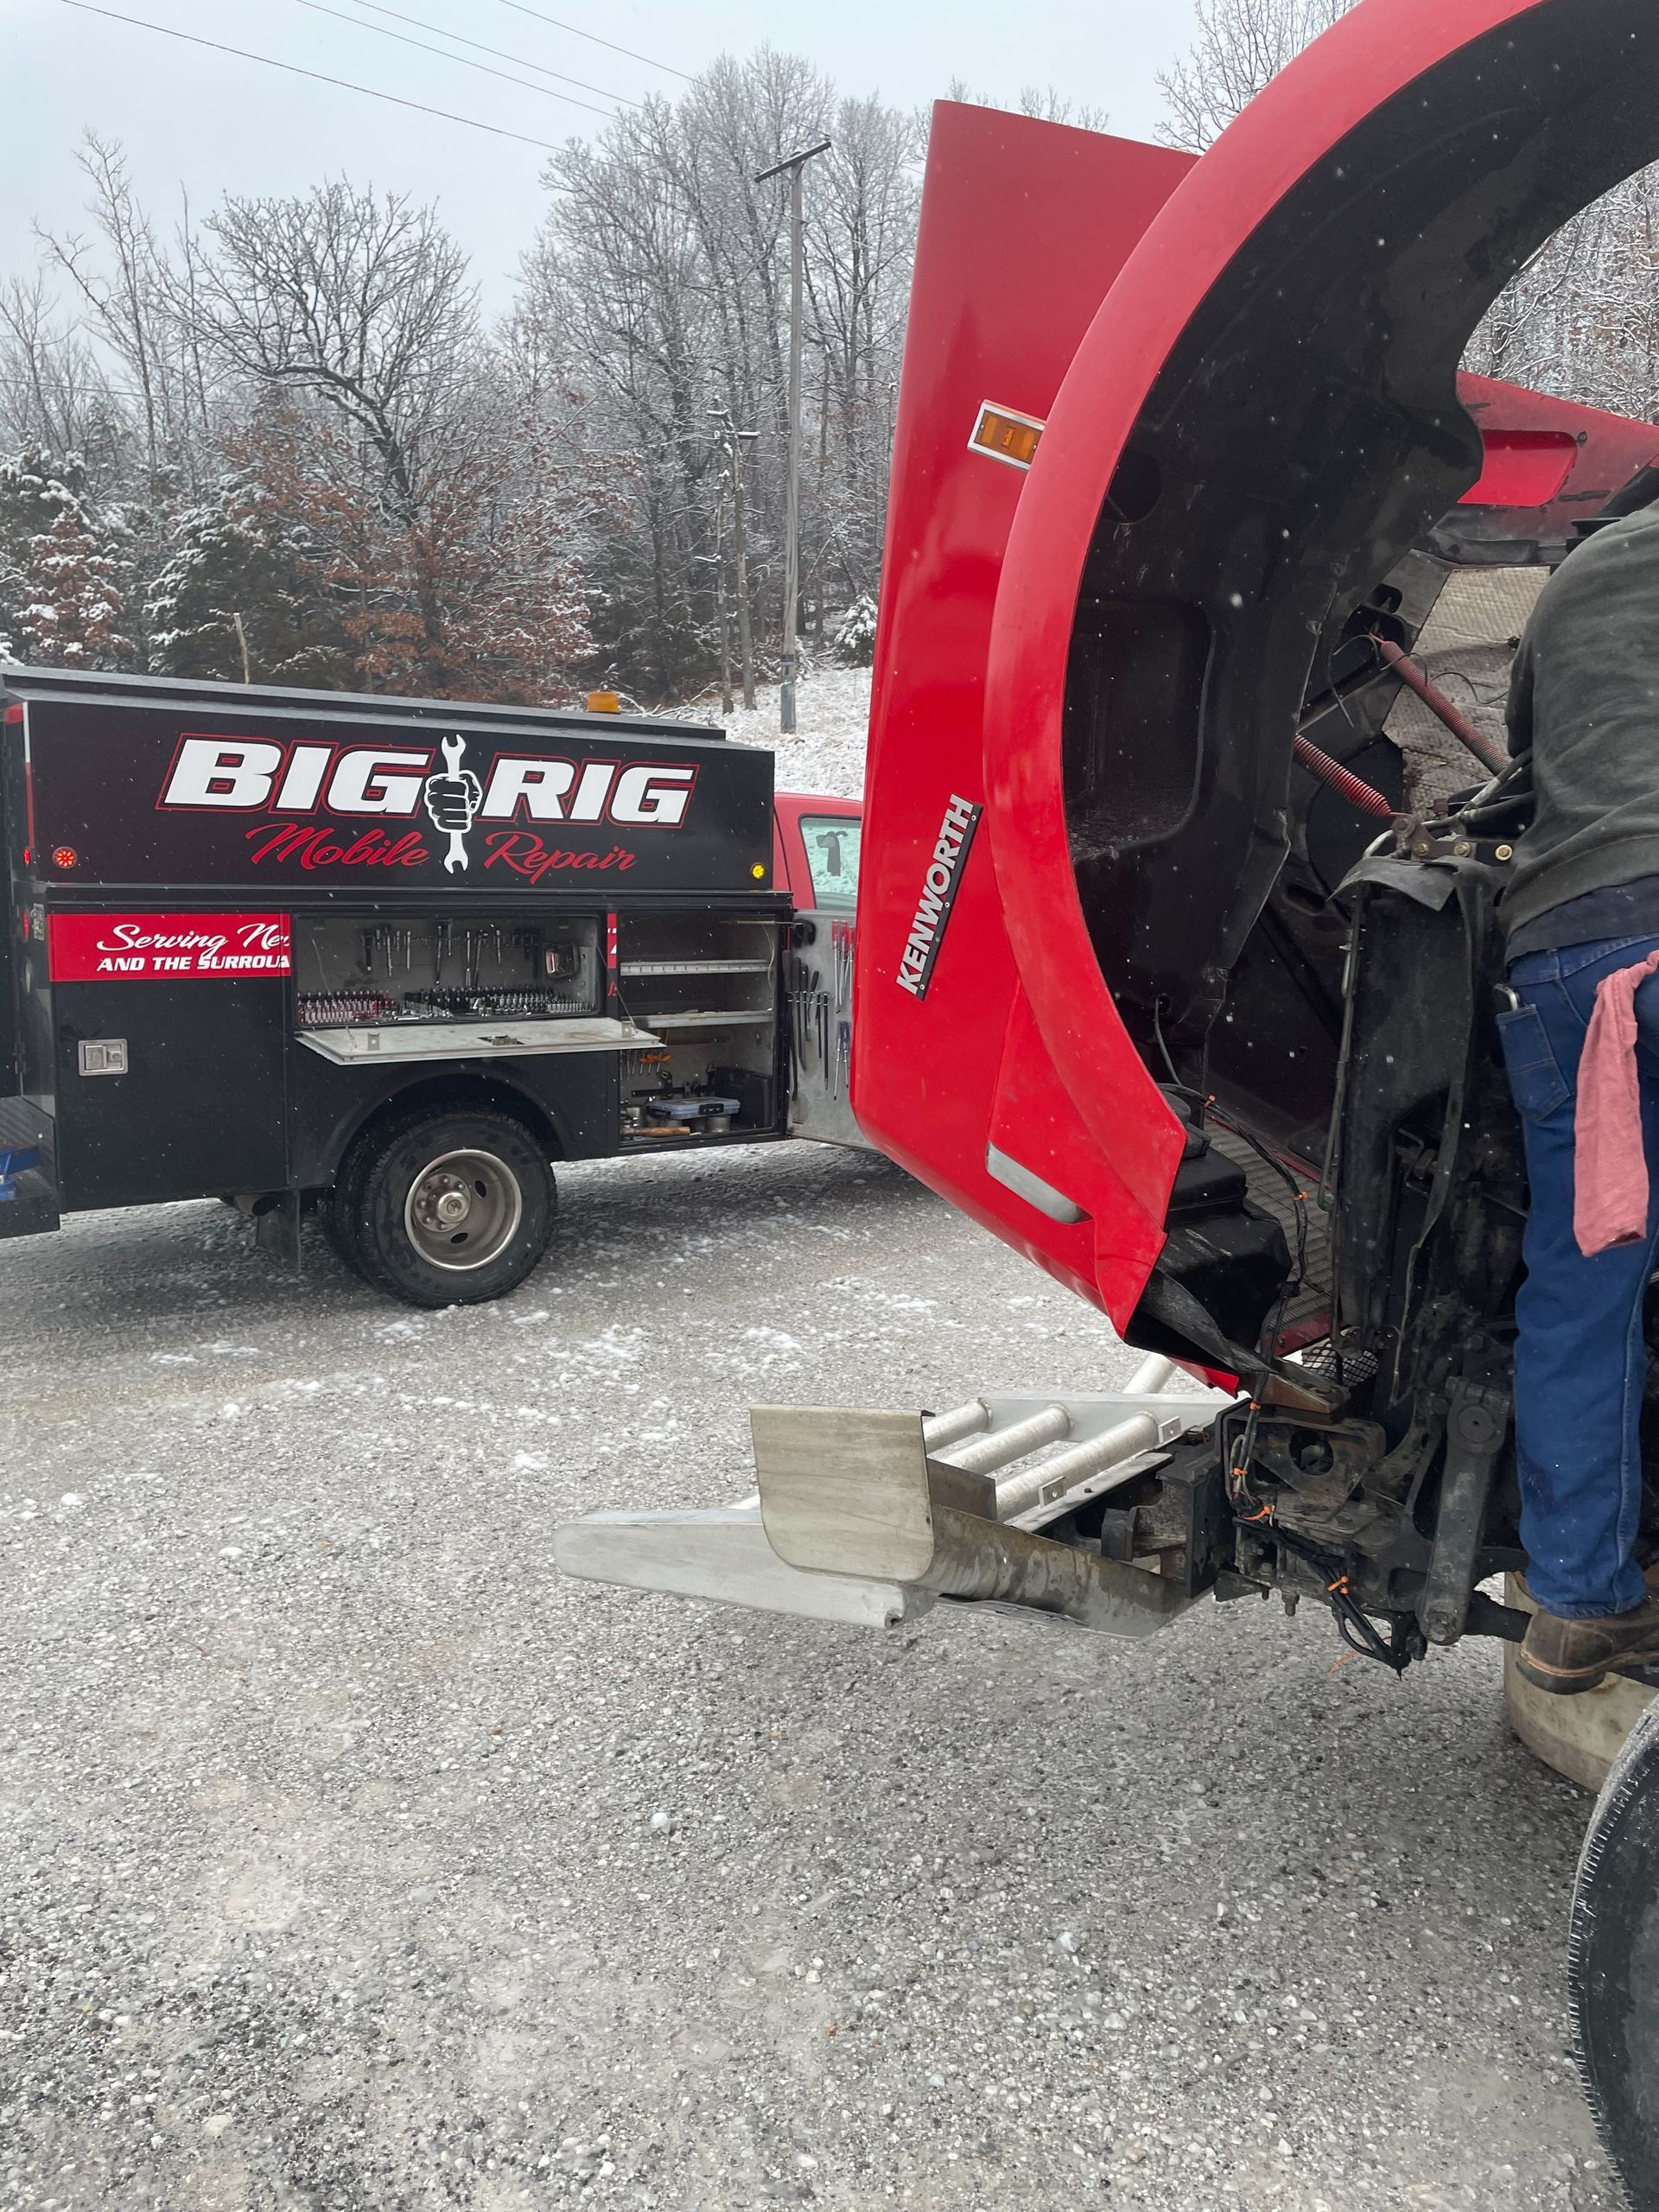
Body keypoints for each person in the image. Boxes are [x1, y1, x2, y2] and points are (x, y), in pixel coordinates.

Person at [1500, 463, 1659, 1694]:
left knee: (1584, 1282)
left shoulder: (1573, 580)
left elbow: (1530, 765)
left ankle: (1577, 1602)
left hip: (1564, 956)